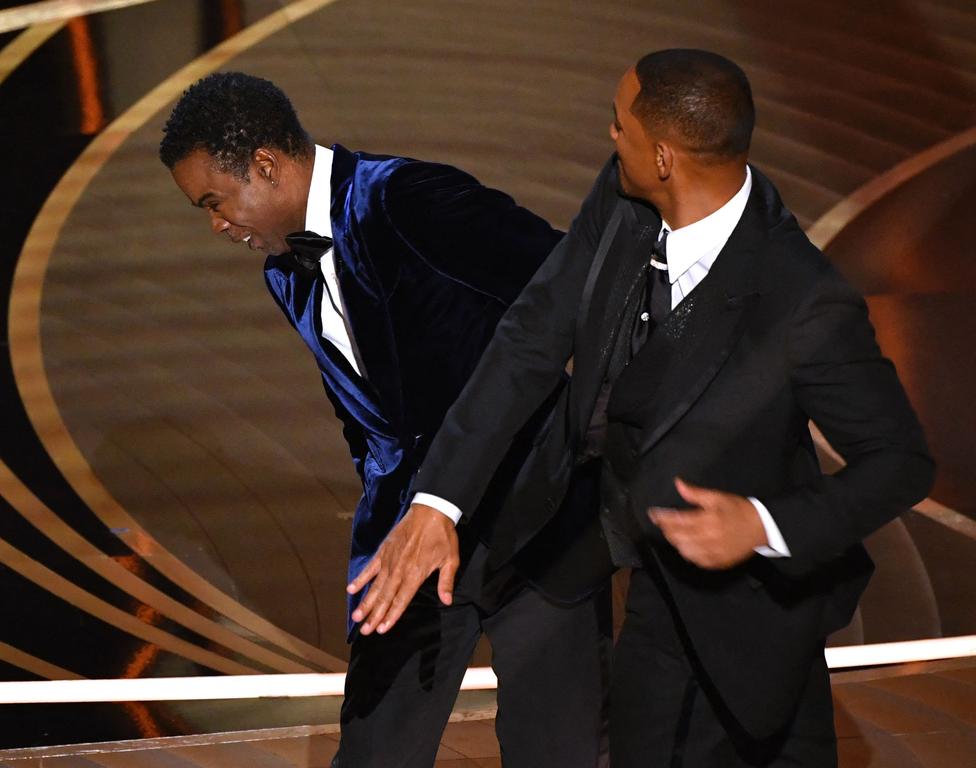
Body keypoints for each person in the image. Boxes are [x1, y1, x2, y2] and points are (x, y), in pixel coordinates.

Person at [351, 50, 935, 766]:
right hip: (633, 556)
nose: (608, 133)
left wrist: (763, 524)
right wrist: (437, 503)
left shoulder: (803, 302)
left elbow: (901, 462)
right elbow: (531, 337)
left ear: (664, 157)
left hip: (749, 605)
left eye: (618, 124)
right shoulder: (626, 197)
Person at [159, 71, 608, 768]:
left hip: (536, 521)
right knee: (374, 752)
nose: (217, 225)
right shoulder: (285, 274)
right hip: (408, 541)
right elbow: (363, 416)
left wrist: (583, 439)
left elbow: (567, 287)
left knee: (561, 752)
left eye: (214, 202)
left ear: (266, 167)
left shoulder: (407, 200)